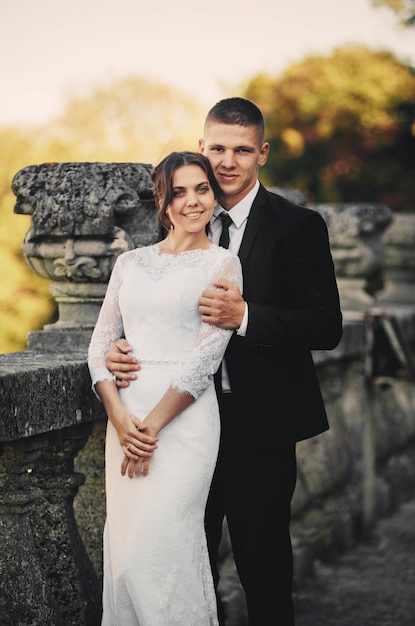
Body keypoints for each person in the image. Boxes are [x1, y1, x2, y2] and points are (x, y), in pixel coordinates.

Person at [105, 98, 343, 625]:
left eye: (241, 150)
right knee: (185, 563)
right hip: (180, 424)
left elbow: (325, 325)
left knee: (264, 570)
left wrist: (247, 315)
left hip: (260, 423)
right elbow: (147, 303)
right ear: (202, 147)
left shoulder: (297, 225)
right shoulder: (182, 214)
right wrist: (122, 347)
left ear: (262, 153)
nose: (227, 161)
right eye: (217, 149)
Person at [88, 150, 243, 626]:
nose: (193, 201)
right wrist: (120, 419)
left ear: (214, 197)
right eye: (179, 191)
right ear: (163, 201)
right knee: (127, 555)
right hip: (127, 418)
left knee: (166, 549)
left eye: (202, 189)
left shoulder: (223, 264)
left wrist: (150, 429)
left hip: (183, 421)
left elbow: (204, 360)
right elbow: (98, 348)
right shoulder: (129, 263)